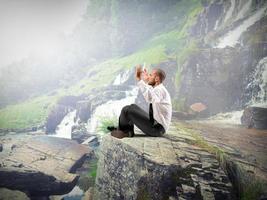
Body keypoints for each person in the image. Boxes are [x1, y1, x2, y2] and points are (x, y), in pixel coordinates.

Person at [108, 65, 172, 139]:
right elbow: (150, 96)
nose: (148, 76)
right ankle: (127, 131)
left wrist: (142, 81)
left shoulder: (160, 90)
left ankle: (124, 132)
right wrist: (143, 81)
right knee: (132, 106)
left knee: (127, 110)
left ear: (157, 79)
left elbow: (152, 98)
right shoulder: (158, 88)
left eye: (151, 75)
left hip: (157, 129)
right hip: (156, 124)